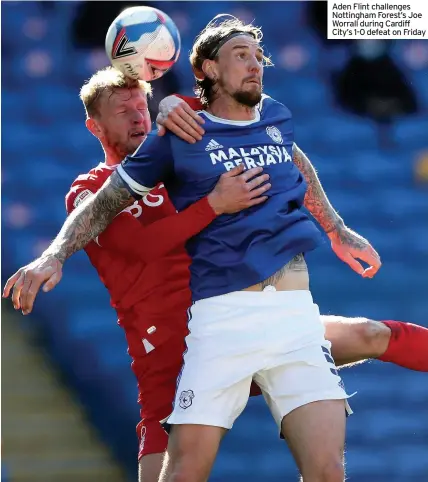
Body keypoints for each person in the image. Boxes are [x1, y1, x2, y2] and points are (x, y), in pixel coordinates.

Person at [3, 53, 428, 482]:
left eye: (141, 107)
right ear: (95, 127)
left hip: (242, 321)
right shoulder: (91, 189)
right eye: (122, 111)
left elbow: (282, 150)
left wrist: (335, 228)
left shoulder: (185, 155)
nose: (138, 117)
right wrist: (212, 205)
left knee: (371, 335)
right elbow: (142, 247)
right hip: (171, 351)